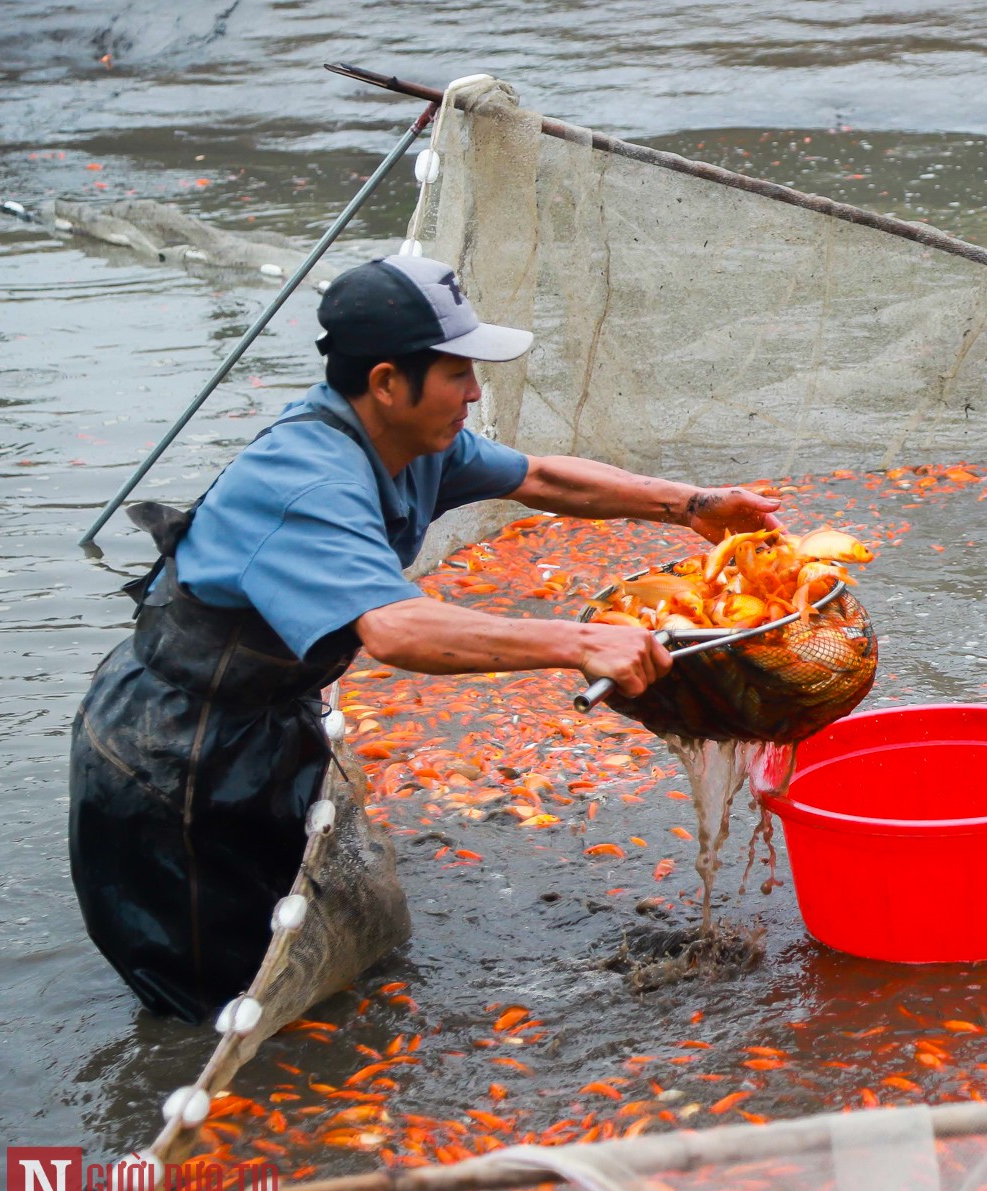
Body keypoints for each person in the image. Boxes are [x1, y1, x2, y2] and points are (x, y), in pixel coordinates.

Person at [70, 255, 782, 1020]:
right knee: (221, 1002)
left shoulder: (412, 444)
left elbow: (541, 478)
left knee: (316, 960)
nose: (475, 393)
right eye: (457, 374)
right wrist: (581, 641)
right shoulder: (309, 480)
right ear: (386, 382)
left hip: (269, 722)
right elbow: (397, 629)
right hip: (173, 759)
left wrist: (692, 503)